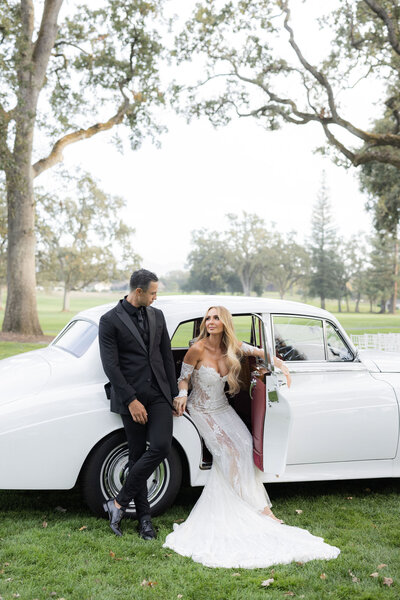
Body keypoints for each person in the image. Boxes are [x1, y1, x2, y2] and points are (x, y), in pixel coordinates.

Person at [164, 306, 340, 568]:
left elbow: (260, 353)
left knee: (245, 444)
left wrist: (281, 366)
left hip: (222, 407)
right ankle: (256, 507)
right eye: (208, 318)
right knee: (226, 450)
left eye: (216, 318)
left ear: (225, 323)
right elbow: (184, 378)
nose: (211, 322)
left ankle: (252, 501)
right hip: (201, 408)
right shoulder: (197, 348)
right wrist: (180, 395)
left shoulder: (233, 346)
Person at [98, 269, 178, 540]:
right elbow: (111, 366)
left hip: (158, 394)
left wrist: (175, 392)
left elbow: (166, 355)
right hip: (130, 397)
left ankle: (118, 503)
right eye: (153, 292)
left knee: (160, 447)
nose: (156, 297)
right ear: (139, 292)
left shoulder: (157, 315)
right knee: (135, 456)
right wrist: (131, 400)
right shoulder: (109, 320)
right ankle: (145, 521)